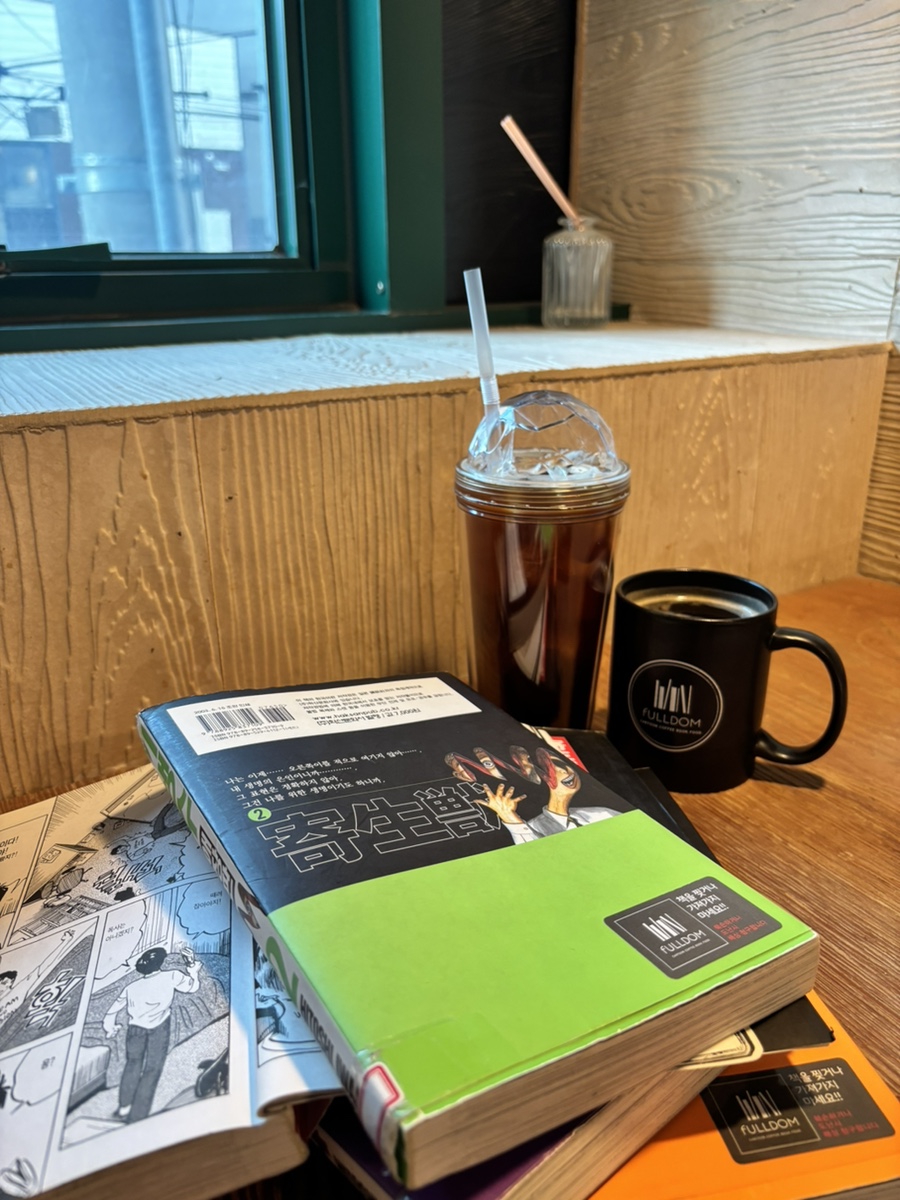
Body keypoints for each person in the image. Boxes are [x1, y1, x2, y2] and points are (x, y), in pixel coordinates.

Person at [102, 945, 201, 1122]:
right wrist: (192, 967)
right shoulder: (171, 975)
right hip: (159, 1027)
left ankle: (123, 1108)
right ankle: (138, 1114)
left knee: (132, 1065)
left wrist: (110, 1027)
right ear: (160, 962)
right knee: (152, 1069)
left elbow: (112, 1010)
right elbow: (192, 987)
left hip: (135, 1029)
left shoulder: (132, 987)